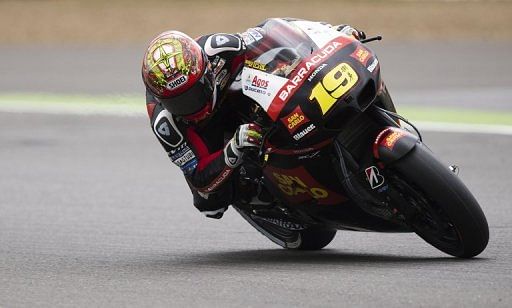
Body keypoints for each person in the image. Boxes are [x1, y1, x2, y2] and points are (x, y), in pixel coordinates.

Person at [141, 18, 366, 219]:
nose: (190, 106)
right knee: (210, 204)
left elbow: (273, 32)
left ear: (206, 73)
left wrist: (329, 33)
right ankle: (263, 196)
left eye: (193, 94)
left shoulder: (219, 47)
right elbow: (199, 176)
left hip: (234, 93)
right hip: (203, 130)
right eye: (178, 102)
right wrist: (233, 149)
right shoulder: (166, 123)